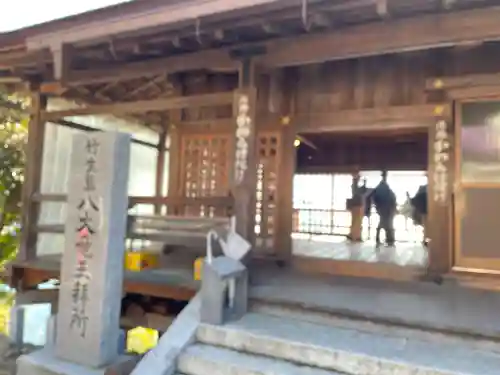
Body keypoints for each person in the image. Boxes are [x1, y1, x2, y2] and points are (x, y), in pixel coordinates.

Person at [370, 171, 397, 247]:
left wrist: (377, 207)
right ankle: (389, 239)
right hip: (387, 210)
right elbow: (393, 199)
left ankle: (381, 239)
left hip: (382, 209)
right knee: (388, 225)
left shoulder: (380, 188)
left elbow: (374, 198)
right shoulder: (387, 189)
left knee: (383, 224)